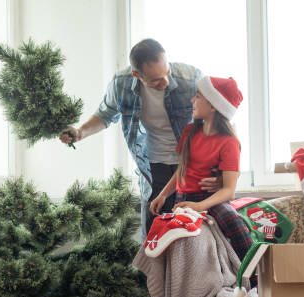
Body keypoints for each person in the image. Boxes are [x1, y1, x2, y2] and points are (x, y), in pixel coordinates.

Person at [59, 39, 219, 241]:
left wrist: (221, 174)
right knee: (155, 240)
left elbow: (221, 124)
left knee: (198, 238)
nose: (165, 82)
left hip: (191, 166)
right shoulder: (122, 83)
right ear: (137, 75)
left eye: (167, 73)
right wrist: (80, 132)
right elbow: (106, 114)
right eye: (155, 80)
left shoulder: (191, 78)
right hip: (153, 168)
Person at [148, 76, 252, 260]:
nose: (192, 100)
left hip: (210, 200)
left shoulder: (229, 143)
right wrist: (163, 195)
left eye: (198, 96)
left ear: (213, 106)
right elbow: (182, 170)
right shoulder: (189, 132)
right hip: (183, 198)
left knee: (233, 222)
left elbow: (229, 191)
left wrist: (200, 206)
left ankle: (254, 272)